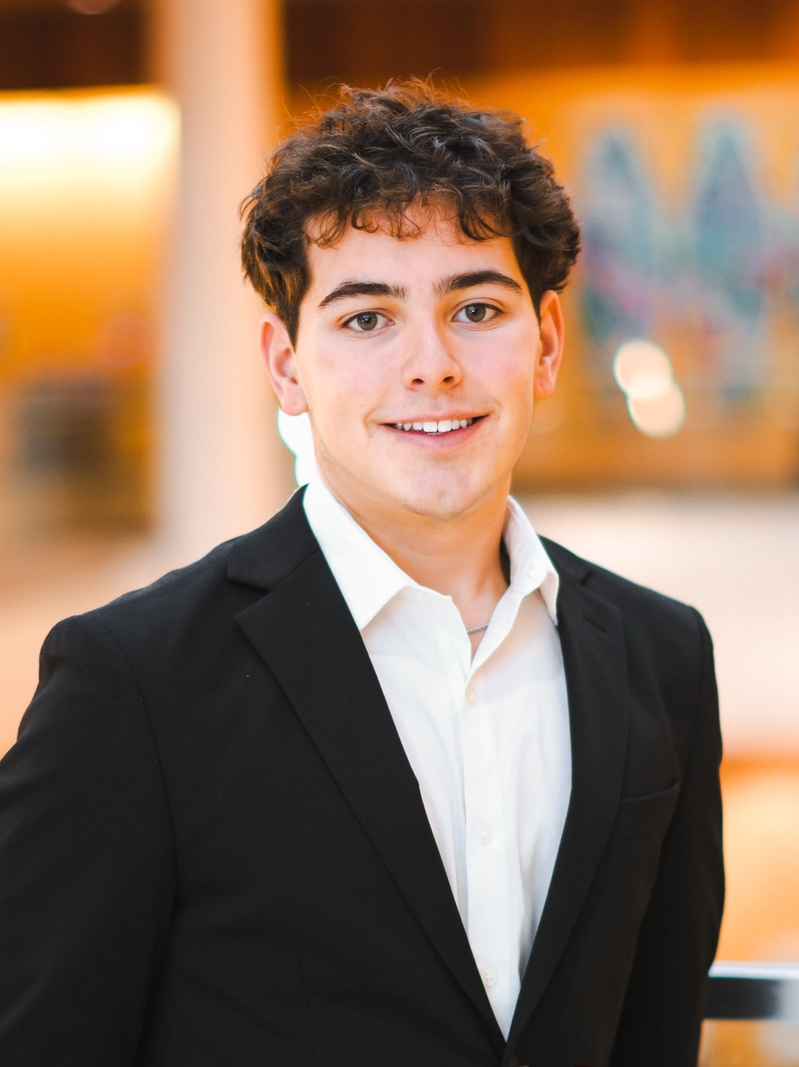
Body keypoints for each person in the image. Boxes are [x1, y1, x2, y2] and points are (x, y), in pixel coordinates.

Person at [0, 81, 723, 1067]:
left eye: (475, 307)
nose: (430, 364)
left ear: (547, 343)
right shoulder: (132, 682)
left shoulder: (659, 653)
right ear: (287, 364)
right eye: (366, 319)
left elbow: (653, 1030)